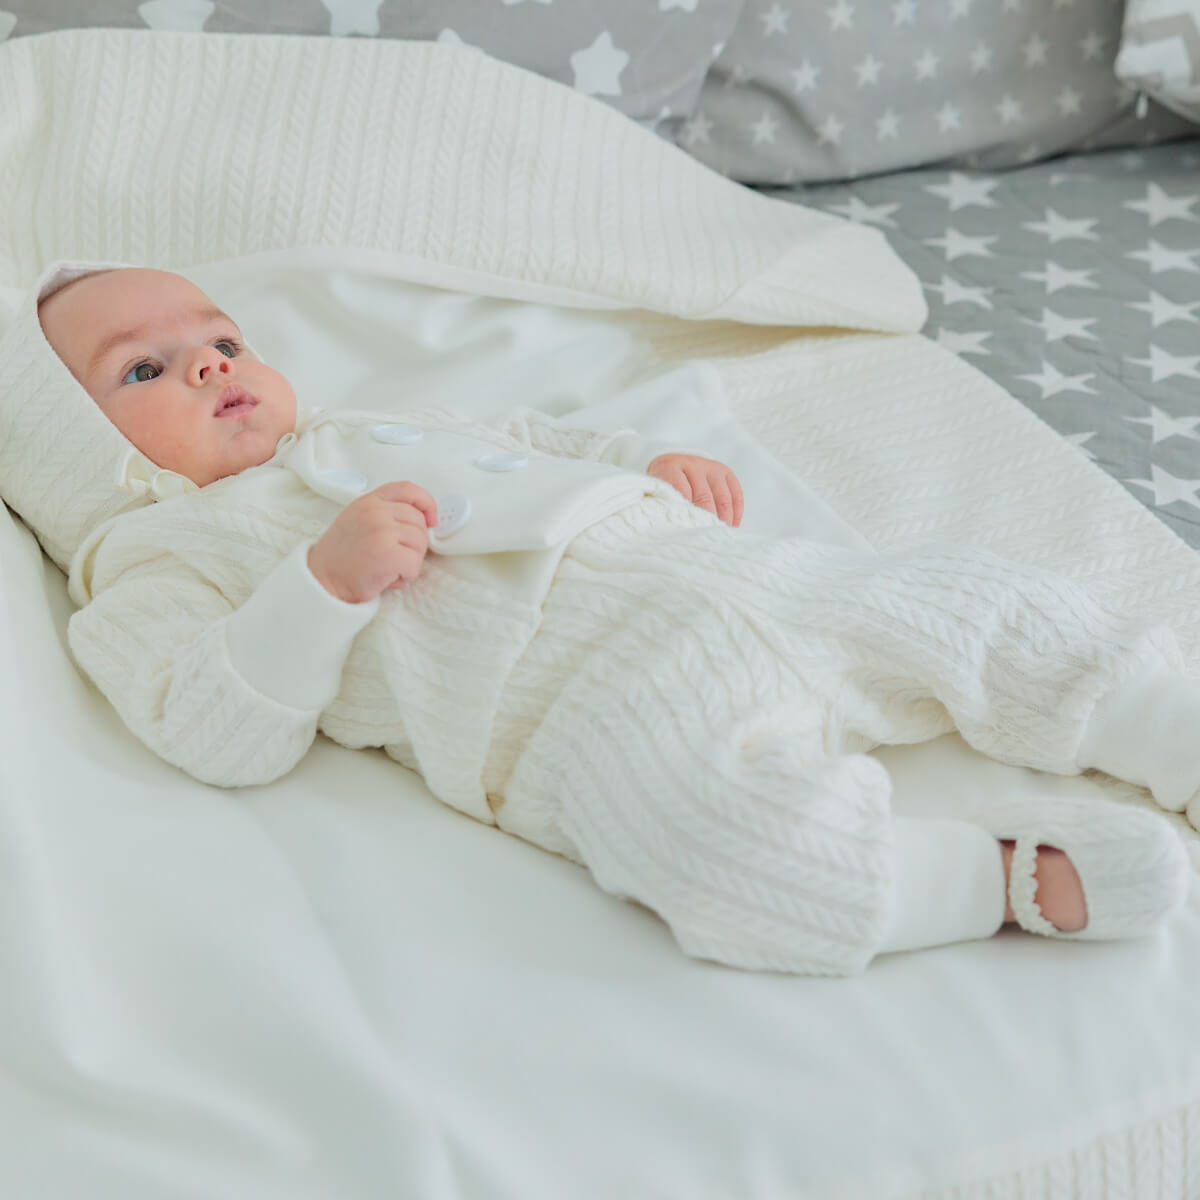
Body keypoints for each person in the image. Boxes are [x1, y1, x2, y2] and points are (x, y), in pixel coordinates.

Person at [1, 259, 1197, 978]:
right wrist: (320, 586)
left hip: (735, 575)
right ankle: (997, 883)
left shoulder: (360, 427)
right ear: (71, 453)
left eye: (220, 337)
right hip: (592, 702)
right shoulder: (148, 561)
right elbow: (210, 728)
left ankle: (1163, 724)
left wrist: (650, 460)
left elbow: (531, 442)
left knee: (973, 605)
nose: (211, 365)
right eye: (142, 372)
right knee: (713, 853)